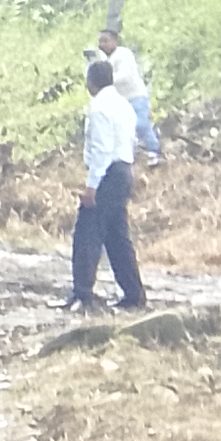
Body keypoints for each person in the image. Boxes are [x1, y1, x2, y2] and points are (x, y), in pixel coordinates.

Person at [68, 57, 150, 312]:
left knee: (87, 232)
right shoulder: (124, 105)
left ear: (91, 81)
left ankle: (82, 293)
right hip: (124, 170)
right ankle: (133, 294)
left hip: (108, 172)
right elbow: (131, 141)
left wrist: (92, 186)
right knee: (117, 237)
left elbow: (102, 150)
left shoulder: (98, 107)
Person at [82, 24, 160, 166]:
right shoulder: (104, 60)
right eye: (100, 41)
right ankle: (132, 152)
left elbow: (126, 76)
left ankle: (154, 149)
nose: (102, 44)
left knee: (141, 124)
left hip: (135, 95)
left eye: (105, 41)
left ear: (114, 41)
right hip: (120, 101)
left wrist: (107, 79)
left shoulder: (124, 54)